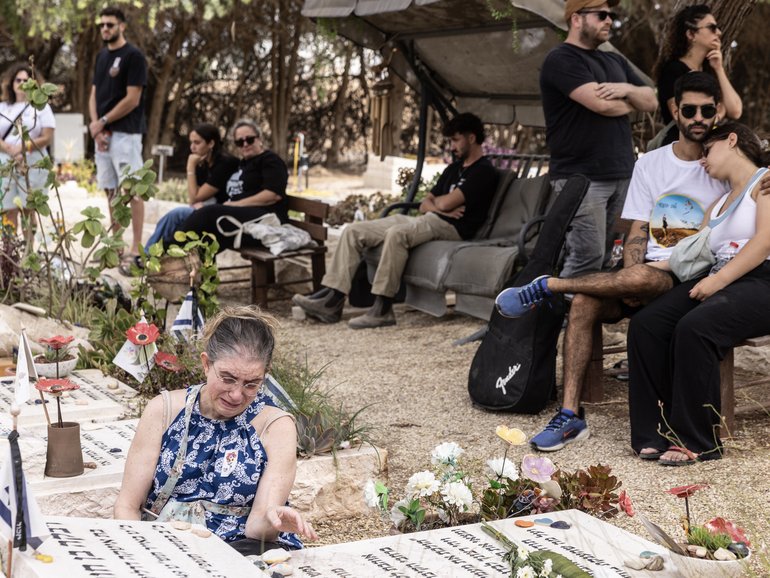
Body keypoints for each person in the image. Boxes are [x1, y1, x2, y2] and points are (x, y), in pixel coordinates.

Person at [495, 72, 729, 452]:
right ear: (675, 110)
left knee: (650, 279)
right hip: (643, 275)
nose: (698, 117)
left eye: (707, 109)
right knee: (587, 302)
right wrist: (630, 276)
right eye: (690, 109)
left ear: (717, 111)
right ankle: (570, 415)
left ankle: (550, 285)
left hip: (688, 276)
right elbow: (637, 229)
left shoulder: (723, 165)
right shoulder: (651, 164)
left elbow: (754, 185)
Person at [114, 306, 318, 554]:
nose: (236, 394)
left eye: (251, 384)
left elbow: (256, 529)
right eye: (228, 378)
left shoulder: (275, 427)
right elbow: (127, 506)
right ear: (206, 364)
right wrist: (143, 554)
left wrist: (273, 520)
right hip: (163, 546)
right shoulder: (164, 411)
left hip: (240, 549)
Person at [628, 121, 770, 465]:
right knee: (647, 324)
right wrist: (638, 271)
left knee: (696, 326)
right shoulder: (718, 204)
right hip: (720, 275)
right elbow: (690, 255)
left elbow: (764, 241)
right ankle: (656, 431)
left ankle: (699, 441)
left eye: (707, 150)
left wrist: (717, 282)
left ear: (731, 139)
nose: (702, 160)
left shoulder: (764, 183)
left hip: (762, 280)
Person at [292, 112, 499, 330]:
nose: (451, 146)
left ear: (472, 138)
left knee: (397, 235)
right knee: (353, 230)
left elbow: (445, 204)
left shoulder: (484, 171)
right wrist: (440, 205)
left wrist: (440, 206)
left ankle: (382, 309)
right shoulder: (454, 168)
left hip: (454, 228)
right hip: (431, 218)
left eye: (455, 140)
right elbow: (426, 203)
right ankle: (332, 300)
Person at [540, 0, 657, 278]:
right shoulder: (562, 59)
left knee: (609, 254)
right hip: (581, 179)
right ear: (576, 19)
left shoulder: (613, 60)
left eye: (611, 15)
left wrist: (624, 88)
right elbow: (602, 105)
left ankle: (587, 316)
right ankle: (563, 316)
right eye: (601, 15)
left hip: (621, 175)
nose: (609, 21)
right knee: (586, 255)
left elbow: (651, 100)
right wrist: (631, 101)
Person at [89, 6, 148, 269]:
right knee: (110, 190)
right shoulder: (101, 56)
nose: (105, 29)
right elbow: (94, 94)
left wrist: (103, 121)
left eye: (110, 24)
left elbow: (132, 99)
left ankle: (136, 248)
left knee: (132, 191)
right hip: (103, 135)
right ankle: (116, 245)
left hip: (126, 134)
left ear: (122, 26)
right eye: (102, 25)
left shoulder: (133, 56)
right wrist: (97, 127)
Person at [176, 119, 289, 252]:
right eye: (240, 142)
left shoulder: (270, 160)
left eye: (250, 139)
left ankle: (170, 254)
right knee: (204, 241)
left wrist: (234, 204)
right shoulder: (243, 164)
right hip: (241, 220)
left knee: (208, 213)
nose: (245, 144)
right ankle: (185, 267)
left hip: (266, 220)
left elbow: (272, 195)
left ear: (259, 139)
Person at [654, 4, 742, 147]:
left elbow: (735, 110)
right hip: (679, 147)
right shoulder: (672, 70)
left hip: (707, 147)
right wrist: (716, 112)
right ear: (691, 34)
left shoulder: (710, 71)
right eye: (712, 28)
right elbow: (682, 117)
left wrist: (719, 69)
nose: (718, 33)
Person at [144, 123, 238, 251]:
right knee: (175, 221)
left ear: (211, 144)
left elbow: (195, 197)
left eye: (197, 142)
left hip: (225, 216)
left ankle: (147, 258)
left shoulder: (225, 163)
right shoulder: (202, 163)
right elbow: (193, 200)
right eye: (191, 142)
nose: (192, 147)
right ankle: (154, 259)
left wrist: (190, 167)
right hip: (206, 211)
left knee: (176, 216)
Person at [0, 63, 55, 231]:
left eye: (26, 80)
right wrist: (11, 150)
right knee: (7, 208)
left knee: (28, 208)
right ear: (11, 82)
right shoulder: (3, 107)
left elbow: (47, 136)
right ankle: (11, 251)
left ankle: (28, 251)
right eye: (18, 80)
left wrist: (23, 148)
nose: (22, 83)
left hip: (32, 161)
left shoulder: (42, 107)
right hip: (5, 161)